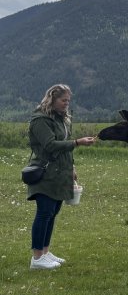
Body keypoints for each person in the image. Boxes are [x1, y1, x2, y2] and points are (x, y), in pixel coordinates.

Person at [26, 84, 95, 270]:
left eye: (68, 101)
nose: (66, 104)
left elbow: (64, 146)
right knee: (44, 213)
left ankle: (45, 252)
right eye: (63, 100)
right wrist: (77, 142)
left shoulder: (60, 119)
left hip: (60, 172)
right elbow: (50, 145)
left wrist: (71, 167)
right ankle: (37, 258)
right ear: (53, 99)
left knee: (53, 213)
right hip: (46, 173)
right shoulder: (40, 120)